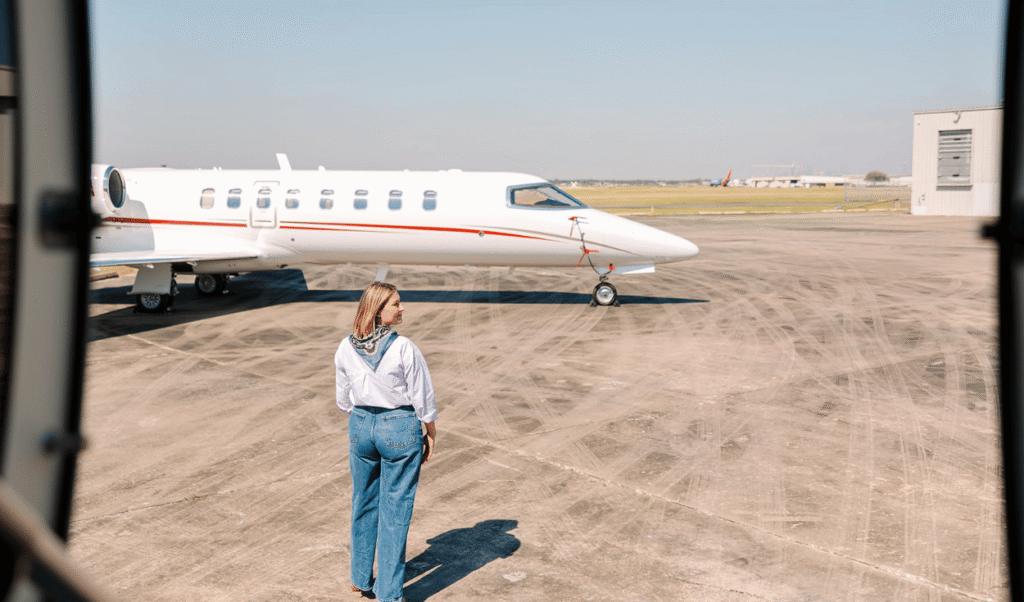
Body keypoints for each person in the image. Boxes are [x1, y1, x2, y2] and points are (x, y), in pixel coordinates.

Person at [335, 281, 437, 602]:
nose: (401, 307)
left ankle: (360, 577)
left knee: (363, 502)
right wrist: (430, 431)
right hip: (398, 429)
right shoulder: (404, 347)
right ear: (378, 311)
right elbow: (423, 397)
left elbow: (343, 400)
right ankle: (390, 593)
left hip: (361, 425)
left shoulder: (345, 347)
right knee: (395, 511)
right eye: (395, 303)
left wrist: (365, 416)